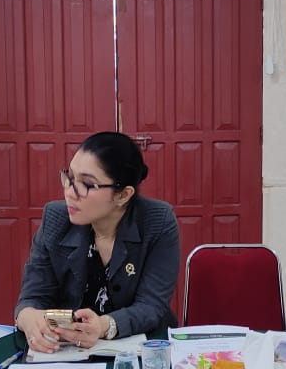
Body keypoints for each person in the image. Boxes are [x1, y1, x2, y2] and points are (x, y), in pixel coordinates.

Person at [15, 132, 180, 353]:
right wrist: (27, 316)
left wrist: (104, 326)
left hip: (142, 348)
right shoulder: (55, 219)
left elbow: (151, 305)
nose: (70, 192)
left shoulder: (157, 221)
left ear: (123, 195)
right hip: (68, 352)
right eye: (69, 177)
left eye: (87, 184)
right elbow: (33, 295)